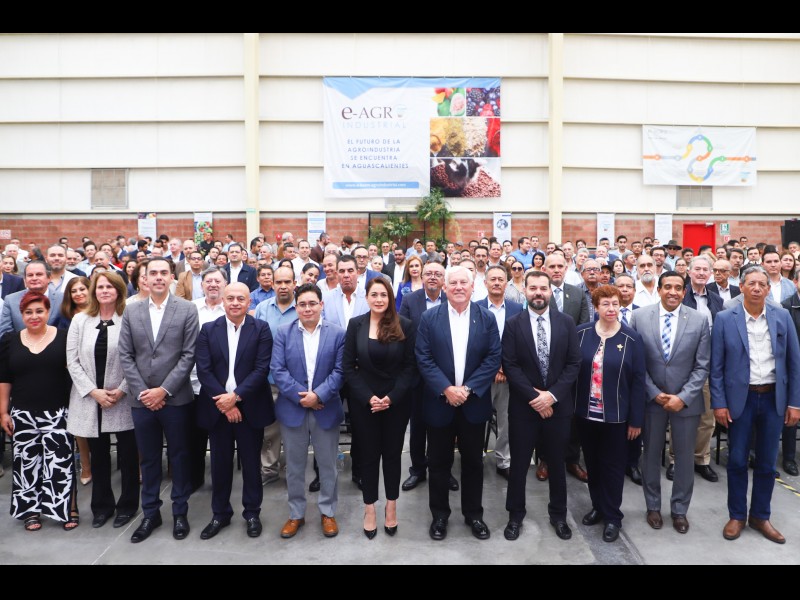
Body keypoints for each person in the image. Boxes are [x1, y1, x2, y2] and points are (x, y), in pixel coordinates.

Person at [711, 265, 800, 544]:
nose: (757, 288)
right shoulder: (725, 319)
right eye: (751, 283)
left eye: (762, 284)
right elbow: (716, 367)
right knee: (737, 459)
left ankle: (760, 515)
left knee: (767, 462)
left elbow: (794, 363)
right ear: (742, 286)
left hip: (773, 398)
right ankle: (737, 515)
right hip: (741, 399)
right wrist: (719, 403)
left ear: (769, 289)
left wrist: (795, 403)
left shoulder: (782, 316)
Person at [416, 265, 502, 541]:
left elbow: (493, 358)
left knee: (474, 463)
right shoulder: (429, 318)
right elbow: (423, 357)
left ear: (473, 286)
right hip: (439, 404)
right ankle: (439, 516)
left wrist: (467, 389)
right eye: (453, 283)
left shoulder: (486, 318)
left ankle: (474, 514)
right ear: (445, 287)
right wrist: (446, 389)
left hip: (473, 403)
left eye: (464, 282)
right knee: (438, 463)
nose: (458, 287)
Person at [118, 257, 199, 543]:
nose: (159, 277)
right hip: (142, 401)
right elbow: (126, 354)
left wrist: (163, 390)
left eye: (164, 272)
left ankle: (180, 512)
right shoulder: (132, 310)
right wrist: (144, 392)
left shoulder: (187, 309)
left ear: (172, 277)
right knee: (149, 459)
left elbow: (189, 355)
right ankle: (150, 513)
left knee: (179, 457)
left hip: (175, 399)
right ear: (144, 278)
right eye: (153, 273)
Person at [502, 270, 581, 541]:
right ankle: (515, 516)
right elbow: (510, 365)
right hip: (524, 408)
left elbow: (573, 363)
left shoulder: (566, 322)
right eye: (533, 287)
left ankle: (559, 516)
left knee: (557, 463)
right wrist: (536, 398)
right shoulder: (513, 324)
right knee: (519, 464)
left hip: (558, 408)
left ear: (550, 291)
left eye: (543, 288)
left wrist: (552, 396)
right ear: (525, 291)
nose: (538, 292)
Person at [629, 271, 711, 534]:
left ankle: (679, 510)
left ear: (684, 292)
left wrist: (683, 397)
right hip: (651, 400)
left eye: (678, 287)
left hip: (685, 402)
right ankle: (653, 506)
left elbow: (702, 365)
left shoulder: (699, 320)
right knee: (651, 455)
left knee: (685, 458)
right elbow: (636, 362)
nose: (673, 292)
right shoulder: (640, 317)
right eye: (667, 287)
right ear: (659, 289)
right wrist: (654, 392)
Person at [195, 283, 274, 540]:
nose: (235, 303)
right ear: (223, 301)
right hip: (218, 409)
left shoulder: (261, 329)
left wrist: (236, 398)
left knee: (251, 465)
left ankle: (252, 513)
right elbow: (204, 370)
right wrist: (226, 403)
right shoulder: (208, 330)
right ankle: (220, 514)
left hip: (250, 408)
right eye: (230, 298)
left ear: (249, 302)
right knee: (220, 465)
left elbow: (261, 369)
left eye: (241, 298)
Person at [342, 277, 416, 538]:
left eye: (384, 295)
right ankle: (370, 508)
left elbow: (410, 367)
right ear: (367, 297)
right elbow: (348, 367)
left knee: (393, 455)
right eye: (374, 294)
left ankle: (391, 506)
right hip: (365, 403)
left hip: (396, 402)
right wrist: (368, 397)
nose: (379, 299)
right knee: (369, 455)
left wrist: (391, 398)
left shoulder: (404, 325)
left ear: (390, 298)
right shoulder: (356, 325)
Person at [272, 284, 347, 540]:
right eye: (302, 304)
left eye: (312, 303)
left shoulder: (338, 334)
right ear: (296, 307)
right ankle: (296, 514)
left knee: (328, 466)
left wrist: (319, 396)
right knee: (294, 467)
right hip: (293, 410)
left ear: (321, 305)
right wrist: (304, 398)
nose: (307, 308)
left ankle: (328, 512)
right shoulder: (283, 333)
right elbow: (278, 370)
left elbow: (340, 371)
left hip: (326, 409)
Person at [65, 272, 139, 529]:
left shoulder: (129, 317)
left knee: (128, 456)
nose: (104, 290)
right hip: (90, 399)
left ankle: (128, 506)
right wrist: (92, 391)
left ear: (119, 290)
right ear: (93, 291)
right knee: (98, 455)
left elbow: (137, 358)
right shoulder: (80, 320)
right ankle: (102, 507)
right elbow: (72, 361)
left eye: (110, 286)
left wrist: (122, 389)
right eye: (100, 287)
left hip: (123, 398)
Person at [0, 291, 79, 531]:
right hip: (22, 413)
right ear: (21, 315)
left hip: (58, 411)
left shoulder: (64, 337)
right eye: (28, 312)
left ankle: (67, 508)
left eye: (39, 311)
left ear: (48, 312)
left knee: (61, 463)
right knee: (26, 463)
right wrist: (3, 412)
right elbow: (4, 379)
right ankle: (30, 511)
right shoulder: (10, 341)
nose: (34, 316)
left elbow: (74, 373)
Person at [574, 285, 646, 542]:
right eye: (605, 304)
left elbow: (639, 381)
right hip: (586, 414)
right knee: (592, 464)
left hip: (617, 417)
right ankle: (598, 506)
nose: (611, 308)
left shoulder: (632, 338)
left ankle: (613, 516)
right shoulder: (581, 334)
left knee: (613, 468)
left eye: (615, 303)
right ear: (596, 307)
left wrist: (636, 419)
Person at [399, 261, 458, 493]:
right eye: (428, 273)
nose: (432, 277)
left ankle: (444, 469)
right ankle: (417, 469)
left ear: (444, 279)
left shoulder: (451, 299)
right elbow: (403, 334)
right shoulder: (409, 300)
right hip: (417, 375)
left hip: (445, 375)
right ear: (421, 277)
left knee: (445, 426)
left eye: (437, 274)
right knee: (418, 425)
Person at [254, 266, 297, 488]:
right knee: (269, 429)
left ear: (294, 284)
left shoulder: (303, 307)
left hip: (295, 381)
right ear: (272, 284)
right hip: (268, 379)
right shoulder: (263, 308)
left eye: (287, 282)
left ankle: (293, 468)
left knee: (294, 427)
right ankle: (269, 469)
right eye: (278, 282)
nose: (283, 286)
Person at [479, 266, 523, 480]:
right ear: (485, 283)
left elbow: (520, 341)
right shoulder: (475, 308)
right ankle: (476, 456)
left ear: (507, 283)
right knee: (478, 419)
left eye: (500, 279)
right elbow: (475, 343)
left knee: (506, 420)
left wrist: (504, 367)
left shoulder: (518, 309)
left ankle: (503, 460)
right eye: (492, 279)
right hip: (481, 375)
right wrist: (494, 367)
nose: (496, 283)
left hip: (509, 375)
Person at [0, 261, 63, 337]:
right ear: (25, 280)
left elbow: (65, 330)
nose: (34, 278)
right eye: (30, 275)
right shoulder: (11, 300)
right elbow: (5, 333)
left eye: (39, 274)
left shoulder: (62, 299)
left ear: (49, 278)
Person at [781, 269, 800, 476]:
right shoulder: (787, 307)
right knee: (792, 414)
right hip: (795, 367)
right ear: (795, 282)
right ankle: (788, 457)